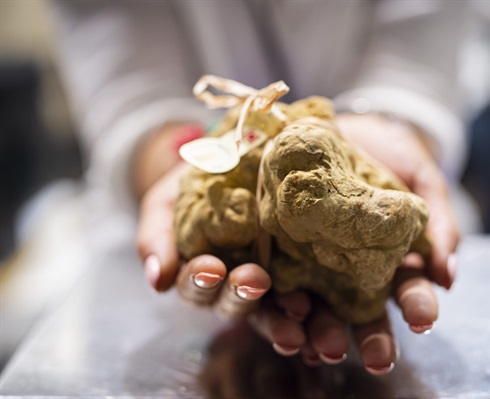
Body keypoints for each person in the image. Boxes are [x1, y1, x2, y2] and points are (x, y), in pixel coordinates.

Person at [52, 0, 467, 376]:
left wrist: (388, 124)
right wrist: (175, 157)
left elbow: (420, 47)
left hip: (369, 267)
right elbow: (125, 74)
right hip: (148, 299)